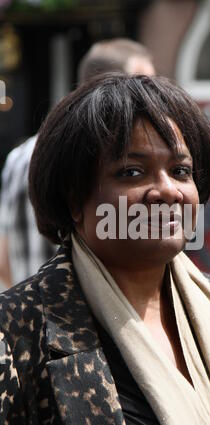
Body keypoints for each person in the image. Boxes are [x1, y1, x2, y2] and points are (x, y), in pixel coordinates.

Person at [0, 74, 210, 425]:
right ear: (75, 198)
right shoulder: (17, 331)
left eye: (180, 171)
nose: (167, 191)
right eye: (131, 172)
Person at [0, 38, 155, 288]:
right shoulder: (101, 155)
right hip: (82, 320)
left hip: (28, 314)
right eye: (142, 83)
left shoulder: (20, 155)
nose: (152, 96)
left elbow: (3, 258)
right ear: (109, 86)